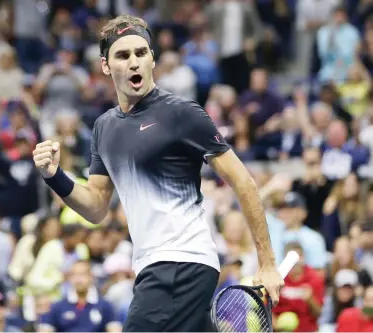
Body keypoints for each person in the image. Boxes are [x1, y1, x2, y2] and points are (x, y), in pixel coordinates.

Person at [33, 15, 283, 332]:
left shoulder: (182, 114)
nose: (134, 62)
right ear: (106, 66)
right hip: (154, 267)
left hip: (182, 261)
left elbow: (243, 182)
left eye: (141, 53)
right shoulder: (103, 128)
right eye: (123, 56)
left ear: (152, 58)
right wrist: (54, 175)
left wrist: (267, 264)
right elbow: (96, 207)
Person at [39, 260, 121, 332]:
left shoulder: (105, 306)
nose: (78, 279)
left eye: (82, 274)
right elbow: (45, 329)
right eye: (74, 275)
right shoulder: (58, 307)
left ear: (91, 276)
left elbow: (115, 329)